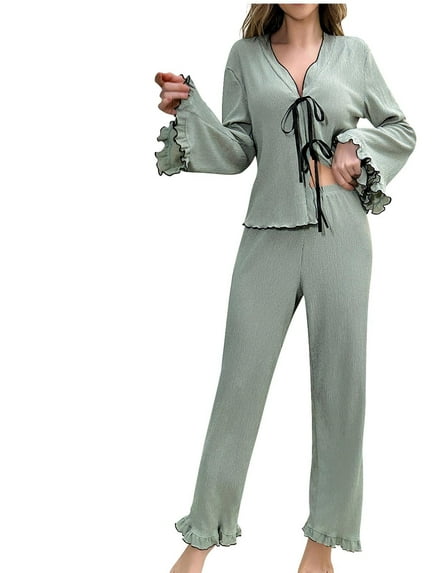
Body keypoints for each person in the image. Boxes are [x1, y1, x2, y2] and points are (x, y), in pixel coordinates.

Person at [154, 4, 416, 573]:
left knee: (341, 388)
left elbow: (401, 129)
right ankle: (199, 542)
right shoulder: (244, 57)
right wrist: (191, 110)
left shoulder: (355, 55)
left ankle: (321, 550)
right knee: (238, 387)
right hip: (266, 236)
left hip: (341, 236)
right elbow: (237, 150)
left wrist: (354, 142)